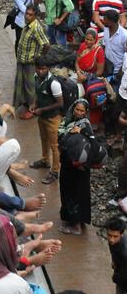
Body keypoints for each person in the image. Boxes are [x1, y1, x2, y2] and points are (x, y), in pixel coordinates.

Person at [58, 99, 94, 235]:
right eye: (77, 109)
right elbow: (61, 137)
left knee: (77, 193)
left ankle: (76, 225)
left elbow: (91, 144)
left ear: (86, 112)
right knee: (67, 191)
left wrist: (79, 133)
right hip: (67, 166)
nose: (78, 112)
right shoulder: (66, 121)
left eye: (81, 110)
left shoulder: (85, 126)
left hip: (78, 168)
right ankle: (70, 218)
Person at [30, 55, 64, 185]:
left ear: (48, 68)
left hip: (53, 118)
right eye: (38, 68)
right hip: (42, 117)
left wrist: (41, 110)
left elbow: (60, 103)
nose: (40, 71)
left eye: (43, 69)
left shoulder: (54, 83)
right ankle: (45, 160)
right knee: (43, 139)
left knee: (55, 146)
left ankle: (55, 171)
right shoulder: (36, 77)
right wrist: (35, 104)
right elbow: (38, 94)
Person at [14, 5, 49, 116]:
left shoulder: (36, 28)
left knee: (31, 87)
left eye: (30, 15)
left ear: (35, 16)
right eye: (26, 14)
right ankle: (25, 103)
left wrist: (38, 58)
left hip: (30, 63)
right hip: (22, 61)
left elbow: (46, 44)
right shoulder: (28, 25)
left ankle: (32, 109)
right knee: (22, 83)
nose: (27, 16)